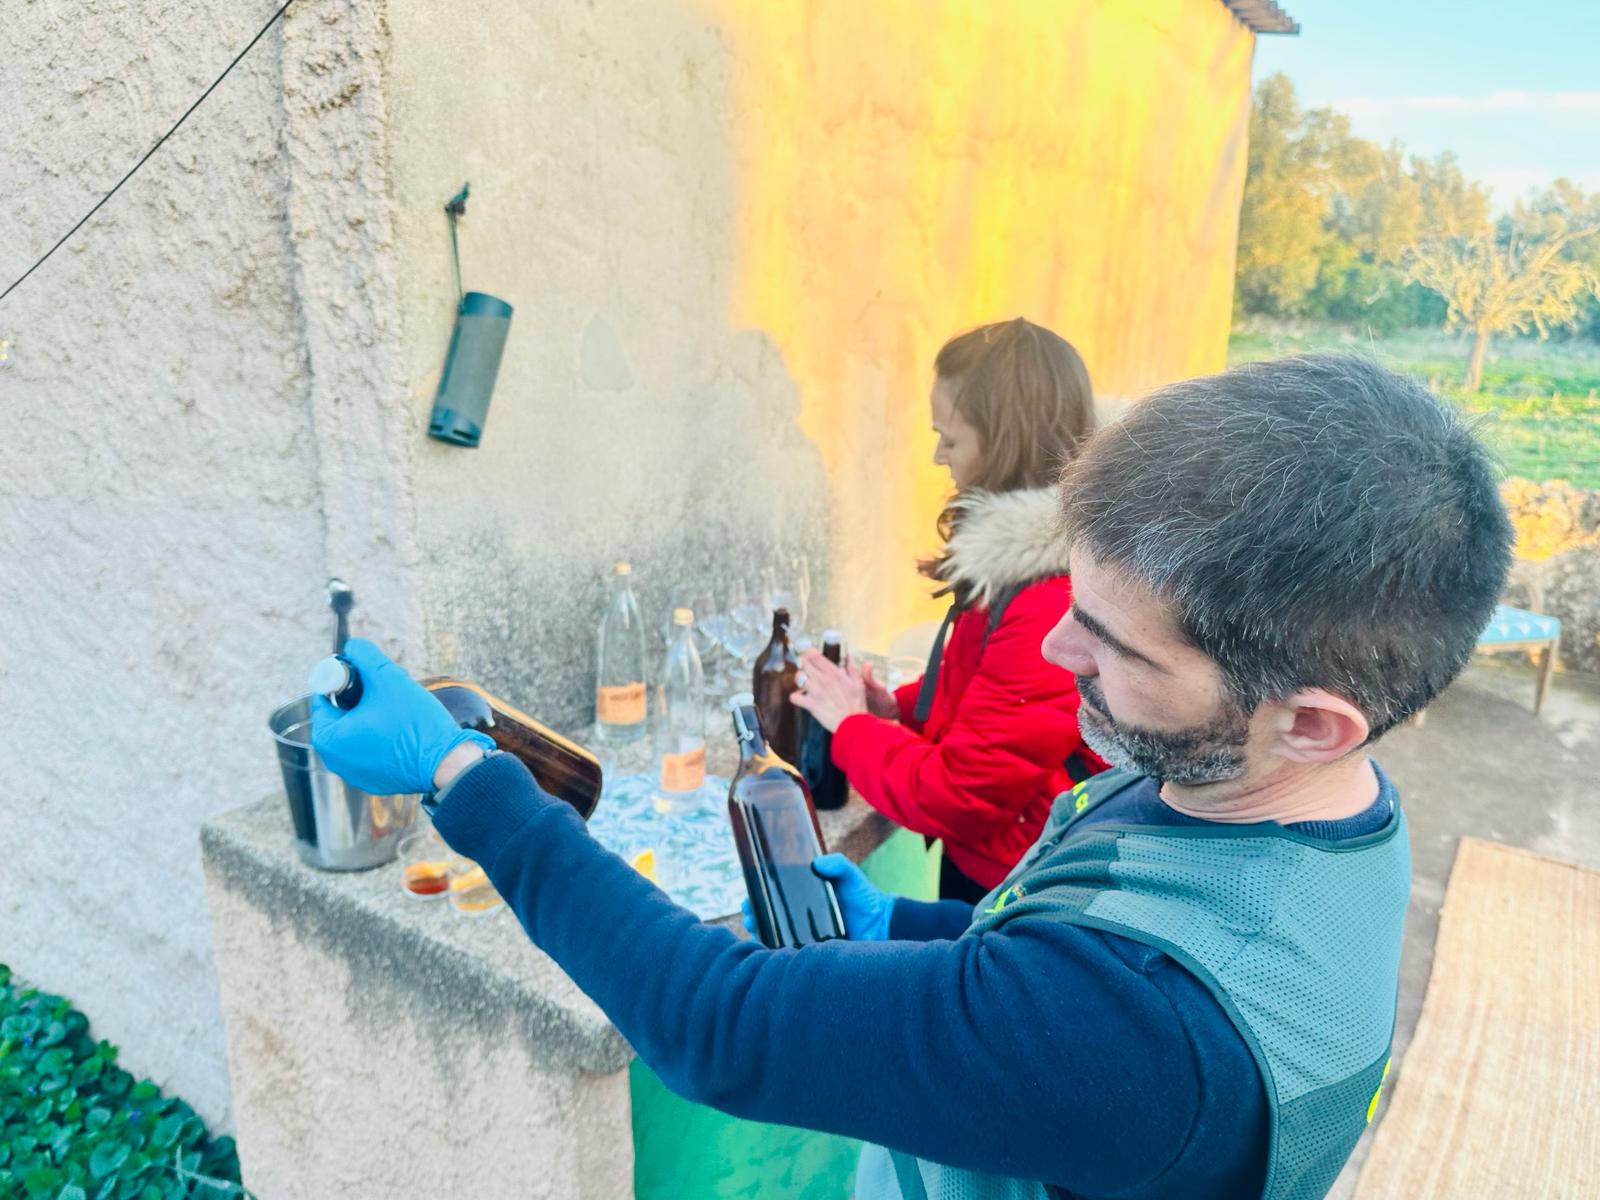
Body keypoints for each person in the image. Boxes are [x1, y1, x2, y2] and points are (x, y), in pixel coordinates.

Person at [314, 355, 1512, 1200]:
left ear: (1311, 722)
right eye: (1072, 603)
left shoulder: (1143, 1040)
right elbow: (1069, 937)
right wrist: (901, 925)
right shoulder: (1300, 799)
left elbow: (711, 1022)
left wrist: (464, 774)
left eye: (1115, 646)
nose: (1056, 651)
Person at [797, 317, 1108, 903]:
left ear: (1006, 443)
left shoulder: (1049, 596)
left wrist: (851, 725)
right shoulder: (1023, 557)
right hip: (1008, 856)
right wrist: (899, 706)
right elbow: (991, 685)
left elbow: (962, 793)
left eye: (951, 438)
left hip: (1023, 882)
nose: (938, 455)